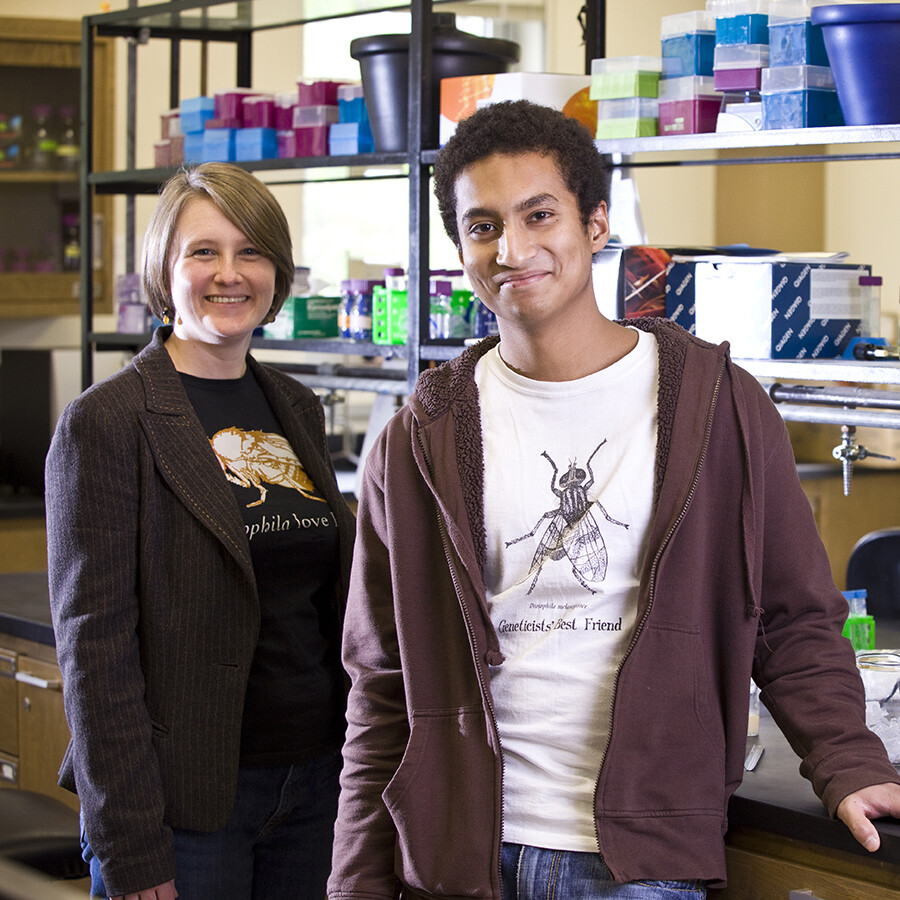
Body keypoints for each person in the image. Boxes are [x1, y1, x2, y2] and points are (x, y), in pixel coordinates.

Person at [326, 100, 900, 899]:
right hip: (459, 854)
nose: (514, 248)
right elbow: (381, 683)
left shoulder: (721, 408)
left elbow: (794, 617)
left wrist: (848, 760)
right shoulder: (419, 438)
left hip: (642, 861)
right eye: (483, 226)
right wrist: (354, 879)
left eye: (539, 214)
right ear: (460, 247)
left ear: (596, 225)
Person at [46, 162, 356, 900]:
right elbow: (96, 652)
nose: (230, 274)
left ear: (277, 273)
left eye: (251, 252)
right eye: (203, 251)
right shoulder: (108, 422)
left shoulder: (295, 406)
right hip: (186, 803)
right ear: (164, 266)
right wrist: (129, 843)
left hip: (317, 781)